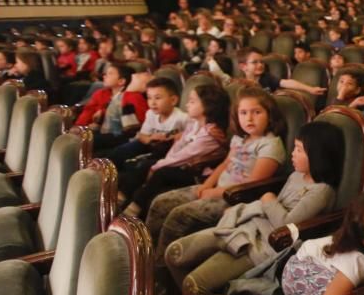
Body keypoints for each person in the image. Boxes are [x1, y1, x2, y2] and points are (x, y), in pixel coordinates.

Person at [166, 121, 345, 295]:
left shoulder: (322, 191)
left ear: (318, 155)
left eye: (299, 149)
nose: (293, 153)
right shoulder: (297, 175)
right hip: (250, 229)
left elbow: (285, 226)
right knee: (173, 254)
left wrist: (268, 199)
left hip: (265, 246)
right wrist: (262, 205)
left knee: (194, 287)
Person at [146, 86, 285, 255]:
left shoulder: (271, 145)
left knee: (179, 215)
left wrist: (214, 193)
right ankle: (146, 253)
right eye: (243, 113)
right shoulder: (240, 138)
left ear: (269, 114)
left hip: (237, 198)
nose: (249, 118)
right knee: (161, 202)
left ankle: (160, 267)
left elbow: (253, 185)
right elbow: (226, 163)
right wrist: (207, 185)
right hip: (217, 188)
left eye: (256, 112)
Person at [122, 83, 229, 217]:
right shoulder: (194, 123)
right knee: (144, 166)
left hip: (199, 172)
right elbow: (178, 147)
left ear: (208, 106)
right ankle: (122, 201)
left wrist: (158, 166)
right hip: (185, 165)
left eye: (192, 101)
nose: (187, 105)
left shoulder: (211, 134)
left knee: (161, 172)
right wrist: (162, 162)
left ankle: (133, 210)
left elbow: (185, 155)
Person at [105, 77, 185, 175]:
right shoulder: (150, 114)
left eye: (158, 98)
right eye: (149, 98)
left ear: (173, 100)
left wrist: (174, 137)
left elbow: (191, 137)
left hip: (168, 150)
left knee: (138, 165)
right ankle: (107, 177)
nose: (152, 102)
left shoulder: (182, 118)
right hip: (150, 143)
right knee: (119, 152)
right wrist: (150, 138)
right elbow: (142, 135)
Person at [75, 62, 148, 152]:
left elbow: (140, 122)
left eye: (110, 73)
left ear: (121, 81)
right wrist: (78, 128)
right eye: (106, 73)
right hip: (101, 131)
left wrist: (103, 114)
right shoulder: (100, 93)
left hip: (122, 135)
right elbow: (87, 112)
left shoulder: (133, 96)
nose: (105, 75)